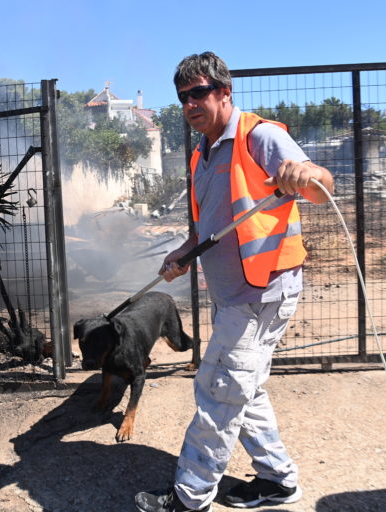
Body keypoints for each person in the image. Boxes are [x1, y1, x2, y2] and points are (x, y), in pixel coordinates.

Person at [134, 51, 334, 512]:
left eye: (199, 93)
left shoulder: (258, 135)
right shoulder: (201, 153)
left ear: (224, 91)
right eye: (183, 97)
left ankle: (191, 496)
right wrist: (183, 254)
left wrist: (304, 174)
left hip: (262, 292)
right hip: (231, 294)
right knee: (243, 386)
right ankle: (278, 482)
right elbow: (205, 230)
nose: (190, 103)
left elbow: (322, 186)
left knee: (218, 389)